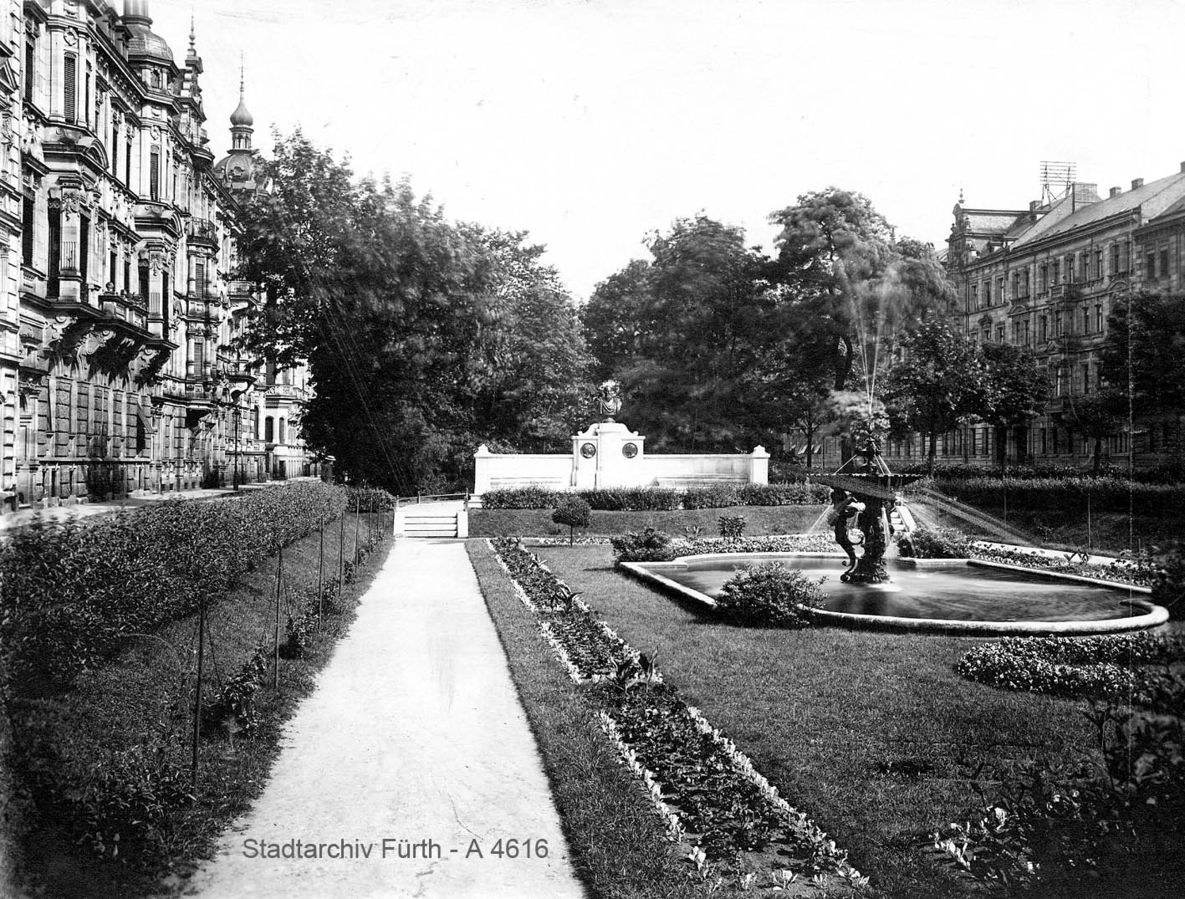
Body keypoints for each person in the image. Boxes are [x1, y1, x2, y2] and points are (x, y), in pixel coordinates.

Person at [827, 488, 865, 576]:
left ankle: (852, 560)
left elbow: (849, 510)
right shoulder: (840, 509)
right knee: (841, 540)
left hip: (841, 529)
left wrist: (851, 502)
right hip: (840, 529)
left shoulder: (842, 509)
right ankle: (852, 560)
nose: (834, 501)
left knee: (841, 540)